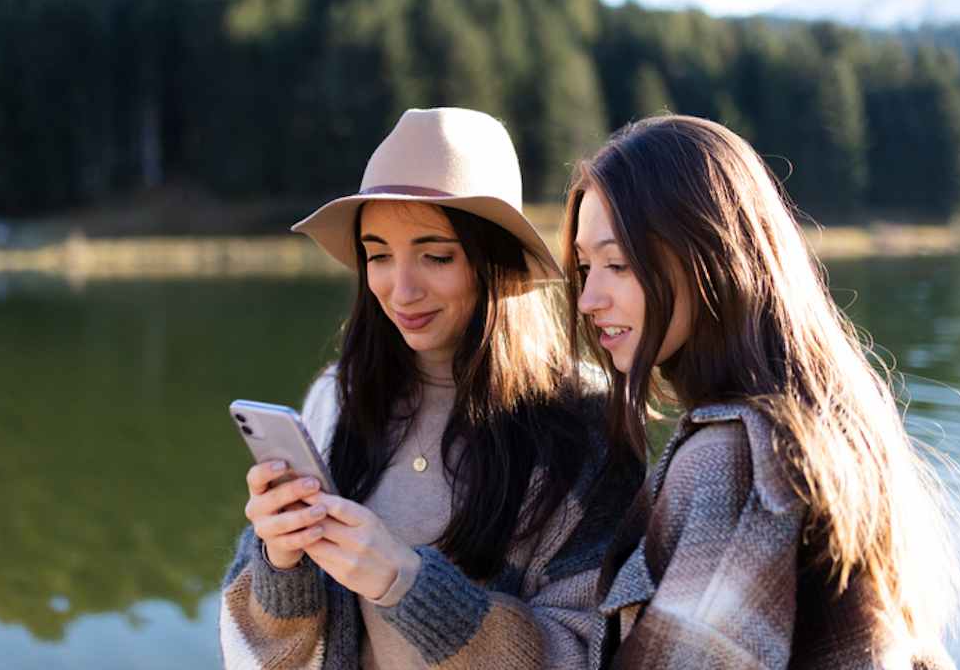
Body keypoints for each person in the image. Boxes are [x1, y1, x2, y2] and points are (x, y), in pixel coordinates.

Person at [219, 107, 643, 669]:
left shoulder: (587, 423)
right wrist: (279, 560)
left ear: (495, 262)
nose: (401, 289)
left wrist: (406, 582)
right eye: (378, 255)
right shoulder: (336, 402)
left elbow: (590, 652)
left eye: (435, 255)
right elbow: (260, 652)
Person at [563, 115, 960, 669]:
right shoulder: (825, 421)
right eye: (585, 268)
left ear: (708, 256)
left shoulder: (735, 459)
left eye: (618, 264)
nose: (588, 299)